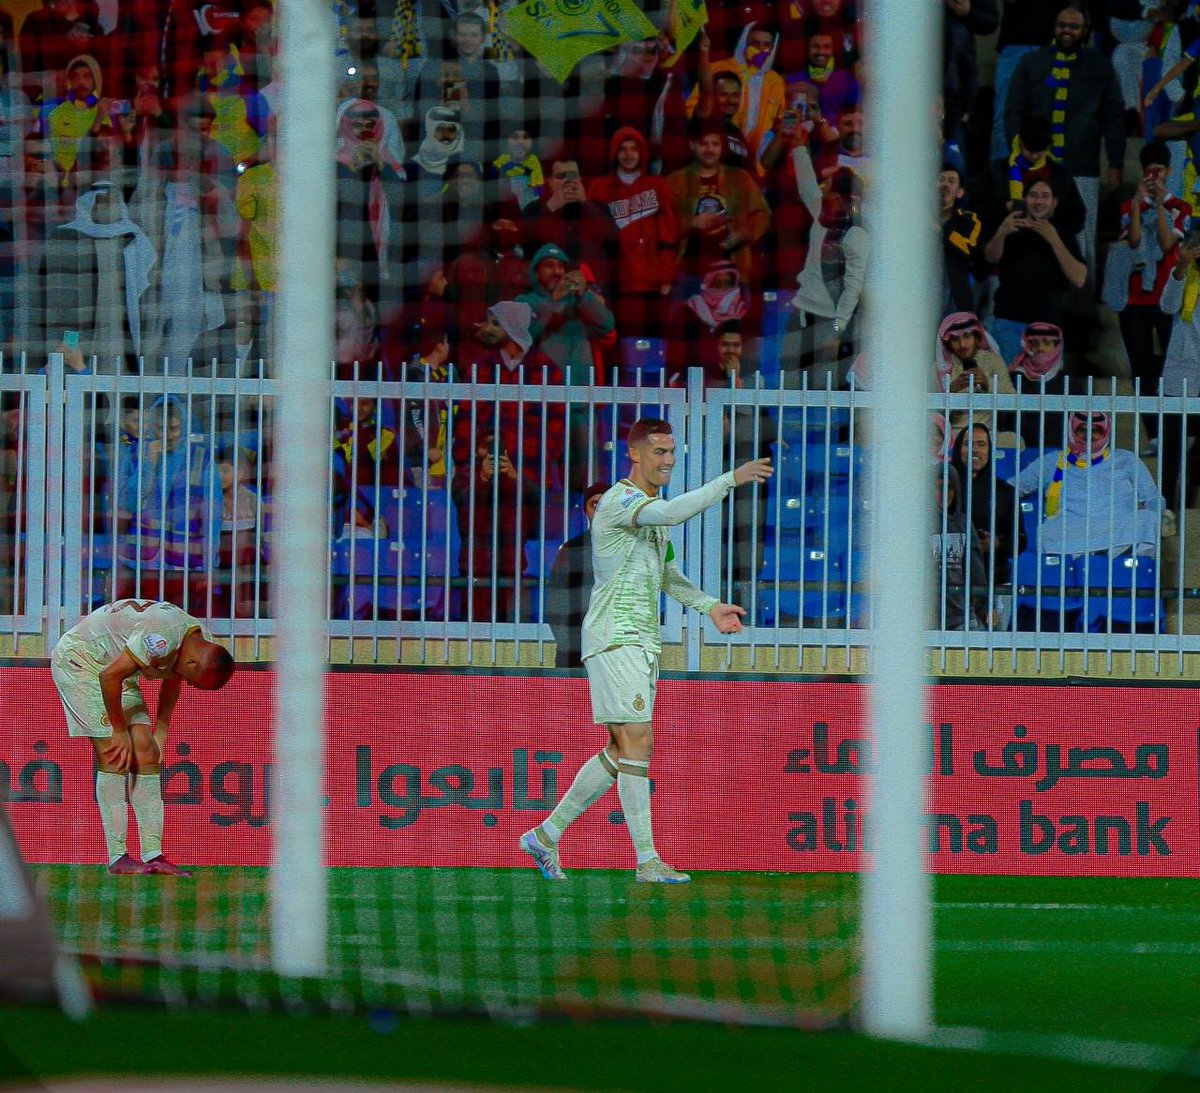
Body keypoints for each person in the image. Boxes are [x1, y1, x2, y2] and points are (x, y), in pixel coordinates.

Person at [519, 417, 772, 883]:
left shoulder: (651, 516)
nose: (668, 460)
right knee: (640, 741)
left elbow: (668, 576)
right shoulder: (620, 502)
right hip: (616, 637)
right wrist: (730, 479)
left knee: (621, 748)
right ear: (634, 454)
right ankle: (647, 860)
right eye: (659, 451)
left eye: (672, 452)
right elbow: (674, 512)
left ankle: (546, 835)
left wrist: (710, 606)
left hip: (641, 641)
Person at [49, 597, 235, 875]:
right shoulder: (160, 637)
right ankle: (118, 857)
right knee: (115, 753)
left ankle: (153, 854)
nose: (187, 683)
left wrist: (161, 731)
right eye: (192, 680)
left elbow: (173, 680)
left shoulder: (199, 642)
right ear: (193, 662)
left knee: (146, 752)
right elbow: (109, 677)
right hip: (81, 662)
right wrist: (119, 730)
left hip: (117, 671)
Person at [1003, 7, 1125, 279]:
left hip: (1081, 167)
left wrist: (1116, 162)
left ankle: (1080, 301)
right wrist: (1019, 154)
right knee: (1030, 234)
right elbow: (1013, 110)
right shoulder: (1031, 62)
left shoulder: (1100, 67)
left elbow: (1114, 118)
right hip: (1035, 167)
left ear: (1085, 31)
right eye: (1061, 25)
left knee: (1081, 237)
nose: (1066, 30)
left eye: (1073, 26)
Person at [1016, 411, 1165, 557]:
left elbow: (1153, 498)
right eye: (1082, 430)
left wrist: (1157, 514)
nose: (1088, 435)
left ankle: (1108, 557)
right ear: (1071, 430)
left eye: (1095, 431)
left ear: (1105, 432)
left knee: (1147, 518)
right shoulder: (1051, 461)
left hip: (1117, 528)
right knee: (1049, 531)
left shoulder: (1126, 459)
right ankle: (1099, 557)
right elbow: (1014, 487)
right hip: (1072, 530)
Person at [984, 176, 1086, 364]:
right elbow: (991, 258)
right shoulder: (1011, 228)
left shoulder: (1064, 235)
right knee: (1007, 381)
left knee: (1045, 383)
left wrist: (1054, 239)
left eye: (1045, 196)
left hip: (1047, 327)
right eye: (1033, 195)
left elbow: (1079, 279)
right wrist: (1002, 232)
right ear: (1025, 199)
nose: (1038, 201)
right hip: (1008, 322)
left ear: (1054, 203)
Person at [543, 481, 609, 668]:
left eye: (605, 504)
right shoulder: (571, 550)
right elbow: (556, 605)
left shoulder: (631, 550)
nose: (600, 510)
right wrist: (573, 646)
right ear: (585, 510)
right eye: (594, 504)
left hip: (620, 656)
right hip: (575, 656)